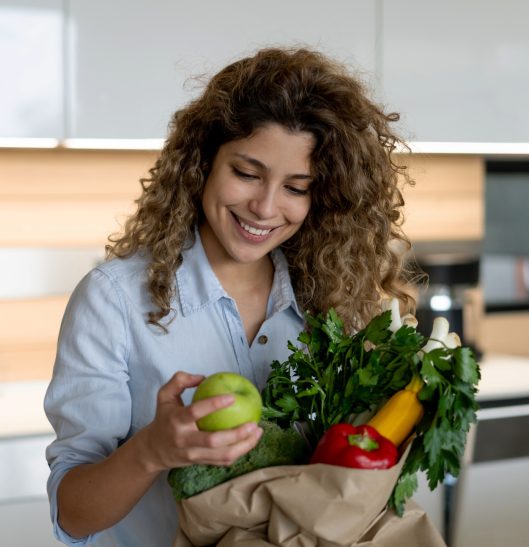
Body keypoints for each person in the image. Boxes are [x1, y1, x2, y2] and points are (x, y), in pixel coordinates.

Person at [44, 47, 414, 546]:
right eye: (246, 173)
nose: (265, 207)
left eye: (296, 187)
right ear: (202, 163)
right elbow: (74, 515)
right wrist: (152, 450)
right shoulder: (114, 301)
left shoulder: (331, 303)